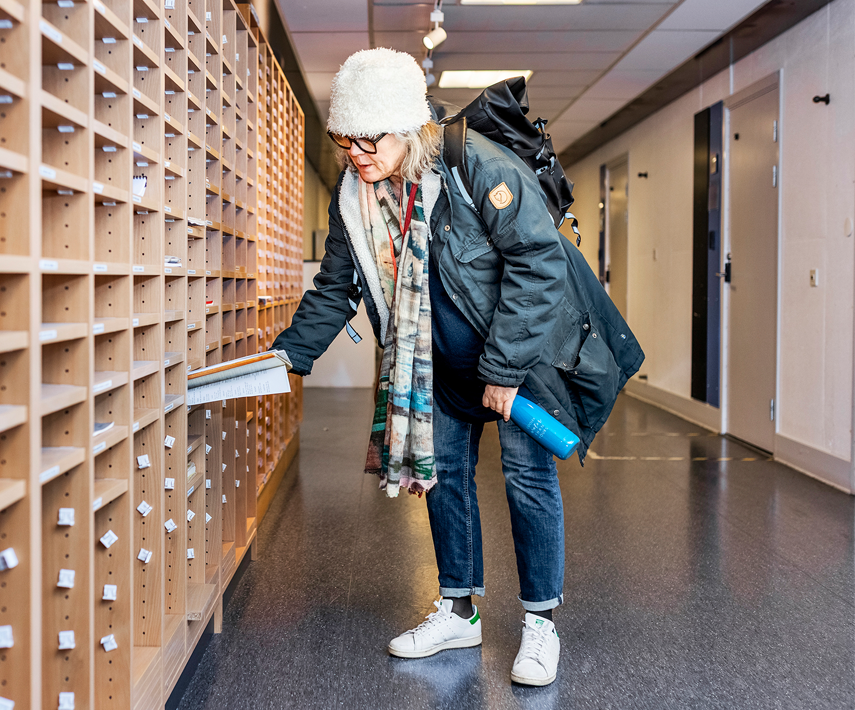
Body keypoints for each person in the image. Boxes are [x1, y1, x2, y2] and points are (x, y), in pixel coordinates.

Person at [271, 48, 643, 686]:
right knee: (445, 478)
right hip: (436, 363)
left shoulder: (477, 164)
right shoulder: (354, 197)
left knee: (527, 480)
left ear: (406, 128)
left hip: (520, 357)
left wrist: (502, 369)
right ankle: (459, 611)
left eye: (369, 140)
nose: (356, 155)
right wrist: (290, 353)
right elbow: (336, 285)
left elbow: (539, 265)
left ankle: (540, 624)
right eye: (344, 141)